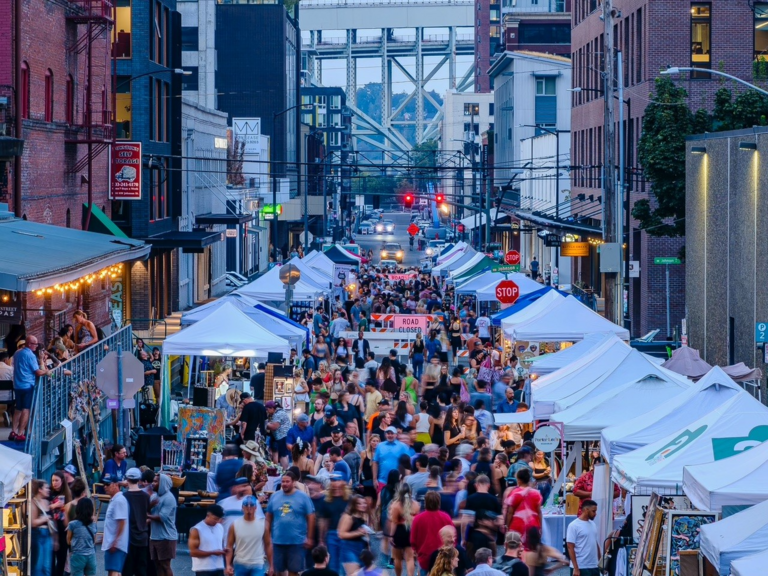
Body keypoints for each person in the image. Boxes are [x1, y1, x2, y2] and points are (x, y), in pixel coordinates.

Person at [266, 471, 315, 576]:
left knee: (293, 571)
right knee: (277, 571)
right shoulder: (274, 496)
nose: (284, 484)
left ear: (294, 482)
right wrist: (268, 535)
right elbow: (268, 517)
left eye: (287, 481)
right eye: (283, 481)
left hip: (296, 541)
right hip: (278, 541)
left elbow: (311, 517)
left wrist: (309, 537)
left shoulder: (303, 497)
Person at [11, 336, 49, 441]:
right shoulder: (31, 355)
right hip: (27, 385)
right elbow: (37, 372)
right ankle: (20, 433)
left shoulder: (17, 353)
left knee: (18, 409)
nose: (36, 346)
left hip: (17, 385)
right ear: (29, 344)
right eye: (35, 344)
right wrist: (47, 372)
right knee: (26, 409)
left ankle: (13, 431)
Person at [225, 495, 272, 576]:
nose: (249, 508)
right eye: (246, 505)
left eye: (252, 505)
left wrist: (271, 565)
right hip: (240, 563)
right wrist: (228, 564)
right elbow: (229, 546)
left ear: (256, 508)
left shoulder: (263, 524)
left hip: (257, 563)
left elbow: (268, 545)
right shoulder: (234, 525)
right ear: (242, 507)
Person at [410, 492, 454, 575]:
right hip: (442, 556)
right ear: (439, 502)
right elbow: (452, 535)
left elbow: (413, 539)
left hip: (424, 557)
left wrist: (415, 550)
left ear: (425, 502)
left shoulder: (418, 519)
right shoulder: (446, 517)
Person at [122, 467, 151, 576]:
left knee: (127, 569)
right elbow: (147, 513)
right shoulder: (146, 496)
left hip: (128, 537)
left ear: (127, 479)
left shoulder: (124, 496)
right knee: (141, 569)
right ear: (139, 480)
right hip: (143, 536)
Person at [503, 468, 542, 549]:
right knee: (531, 549)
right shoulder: (536, 493)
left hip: (517, 525)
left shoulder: (514, 493)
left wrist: (507, 525)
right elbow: (539, 512)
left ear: (519, 480)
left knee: (516, 550)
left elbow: (510, 512)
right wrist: (540, 527)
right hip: (533, 525)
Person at [148, 474, 178, 576]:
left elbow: (162, 517)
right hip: (154, 536)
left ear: (163, 484)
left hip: (166, 537)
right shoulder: (154, 496)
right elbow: (148, 512)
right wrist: (149, 507)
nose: (153, 483)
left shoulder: (169, 498)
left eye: (156, 481)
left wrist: (147, 515)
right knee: (157, 565)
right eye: (153, 481)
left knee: (165, 565)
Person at [387, 485, 420, 576]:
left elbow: (394, 522)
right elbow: (417, 520)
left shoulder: (395, 505)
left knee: (397, 558)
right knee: (410, 558)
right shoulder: (416, 504)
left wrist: (391, 536)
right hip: (410, 531)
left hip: (399, 531)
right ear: (410, 492)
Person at [102, 473, 130, 576]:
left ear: (115, 484)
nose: (105, 487)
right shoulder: (115, 500)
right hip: (112, 543)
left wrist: (115, 541)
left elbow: (122, 522)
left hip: (116, 544)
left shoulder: (119, 501)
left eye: (107, 484)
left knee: (114, 571)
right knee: (113, 572)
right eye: (104, 484)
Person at [337, 494, 372, 576]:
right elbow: (341, 534)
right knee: (354, 574)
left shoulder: (363, 516)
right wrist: (358, 533)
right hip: (349, 548)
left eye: (364, 503)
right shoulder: (349, 517)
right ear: (353, 505)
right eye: (359, 503)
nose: (363, 505)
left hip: (361, 547)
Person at [189, 505, 226, 576]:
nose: (217, 521)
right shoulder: (197, 530)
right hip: (203, 568)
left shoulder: (220, 527)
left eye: (218, 519)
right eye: (215, 519)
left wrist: (224, 550)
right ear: (208, 515)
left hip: (219, 566)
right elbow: (193, 552)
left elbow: (219, 545)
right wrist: (213, 553)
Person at [565, 500, 600, 576]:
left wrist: (600, 561)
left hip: (594, 565)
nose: (595, 514)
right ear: (586, 510)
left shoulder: (593, 524)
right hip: (581, 566)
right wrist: (576, 568)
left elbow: (595, 542)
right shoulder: (574, 525)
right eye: (593, 511)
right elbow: (570, 547)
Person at [68, 498, 97, 576]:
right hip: (91, 556)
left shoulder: (72, 524)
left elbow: (68, 540)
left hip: (77, 555)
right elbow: (94, 541)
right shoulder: (93, 524)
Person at [31, 479, 53, 576]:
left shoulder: (47, 502)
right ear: (40, 489)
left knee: (47, 566)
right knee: (38, 566)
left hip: (48, 535)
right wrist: (45, 519)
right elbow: (33, 523)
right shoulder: (33, 503)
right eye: (46, 488)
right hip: (38, 534)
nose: (48, 490)